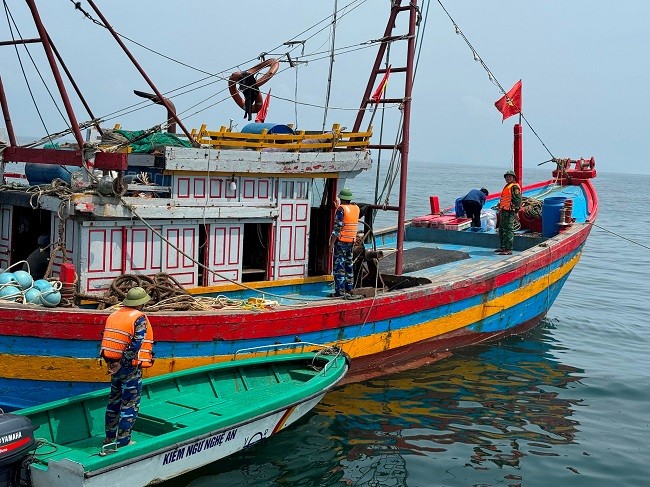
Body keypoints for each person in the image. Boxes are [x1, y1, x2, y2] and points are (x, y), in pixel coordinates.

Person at [99, 287, 154, 449]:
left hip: (113, 364)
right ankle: (124, 441)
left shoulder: (113, 315)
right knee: (130, 403)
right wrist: (123, 363)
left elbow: (110, 339)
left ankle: (109, 437)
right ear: (141, 304)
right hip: (128, 367)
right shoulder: (139, 318)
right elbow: (136, 344)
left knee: (114, 401)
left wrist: (113, 364)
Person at [329, 187, 360, 297]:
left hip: (341, 242)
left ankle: (339, 292)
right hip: (351, 241)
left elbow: (338, 228)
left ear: (341, 199)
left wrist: (332, 243)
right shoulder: (356, 208)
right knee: (349, 265)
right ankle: (349, 289)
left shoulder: (341, 209)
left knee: (339, 267)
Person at [496, 170, 522, 255]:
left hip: (510, 212)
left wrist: (516, 212)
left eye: (510, 177)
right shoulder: (507, 186)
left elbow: (517, 200)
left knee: (508, 230)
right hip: (504, 211)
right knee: (502, 229)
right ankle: (503, 247)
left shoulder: (514, 187)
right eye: (507, 177)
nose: (508, 178)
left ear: (513, 178)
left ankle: (508, 249)